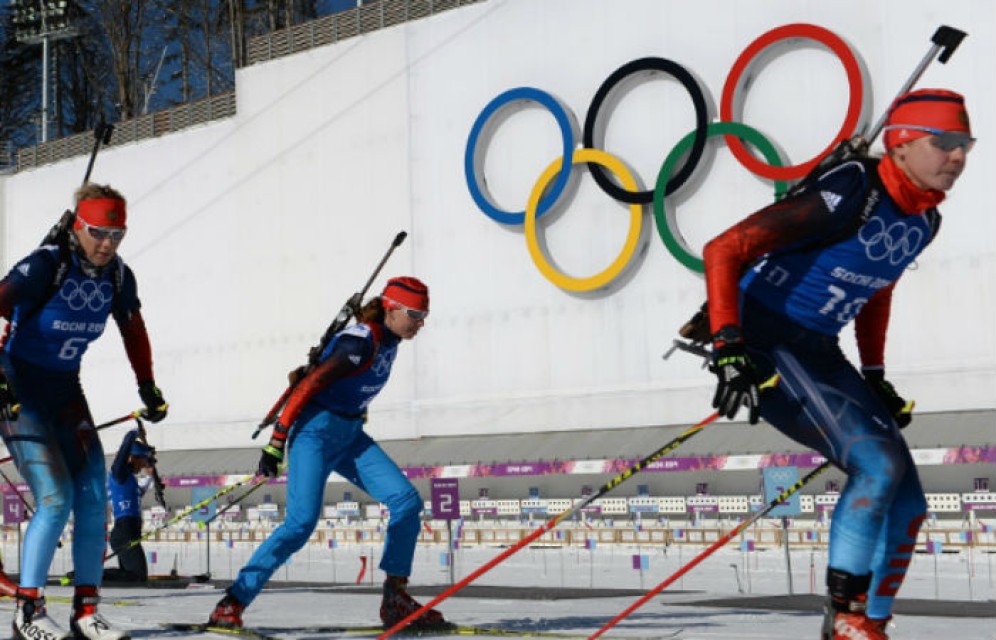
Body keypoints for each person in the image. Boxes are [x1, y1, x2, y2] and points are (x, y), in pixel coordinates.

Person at [700, 89, 973, 640]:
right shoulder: (854, 189)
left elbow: (877, 290)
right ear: (900, 143)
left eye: (965, 144)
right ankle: (847, 618)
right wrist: (728, 347)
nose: (957, 156)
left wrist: (875, 374)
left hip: (820, 349)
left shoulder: (925, 220)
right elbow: (723, 248)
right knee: (877, 466)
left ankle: (869, 623)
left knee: (909, 503)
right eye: (943, 141)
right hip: (766, 338)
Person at [208, 277, 449, 631]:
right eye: (415, 314)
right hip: (315, 434)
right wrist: (276, 441)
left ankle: (395, 598)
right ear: (392, 309)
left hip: (349, 435)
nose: (420, 323)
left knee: (406, 502)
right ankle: (232, 602)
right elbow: (308, 385)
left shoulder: (391, 339)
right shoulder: (360, 342)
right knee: (300, 524)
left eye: (424, 315)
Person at [0, 183, 169, 640]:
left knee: (94, 500)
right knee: (55, 498)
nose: (107, 244)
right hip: (19, 386)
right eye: (98, 232)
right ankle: (28, 613)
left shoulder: (118, 276)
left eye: (117, 234)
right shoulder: (46, 264)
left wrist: (147, 384)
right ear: (77, 226)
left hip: (65, 390)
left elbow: (134, 329)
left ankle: (85, 612)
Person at [104, 429, 155, 583]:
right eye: (142, 461)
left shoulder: (130, 480)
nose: (143, 466)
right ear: (132, 458)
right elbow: (123, 452)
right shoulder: (119, 473)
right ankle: (88, 575)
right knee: (138, 575)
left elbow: (138, 492)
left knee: (129, 575)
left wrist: (150, 476)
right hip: (124, 532)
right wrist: (134, 433)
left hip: (129, 532)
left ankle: (90, 575)